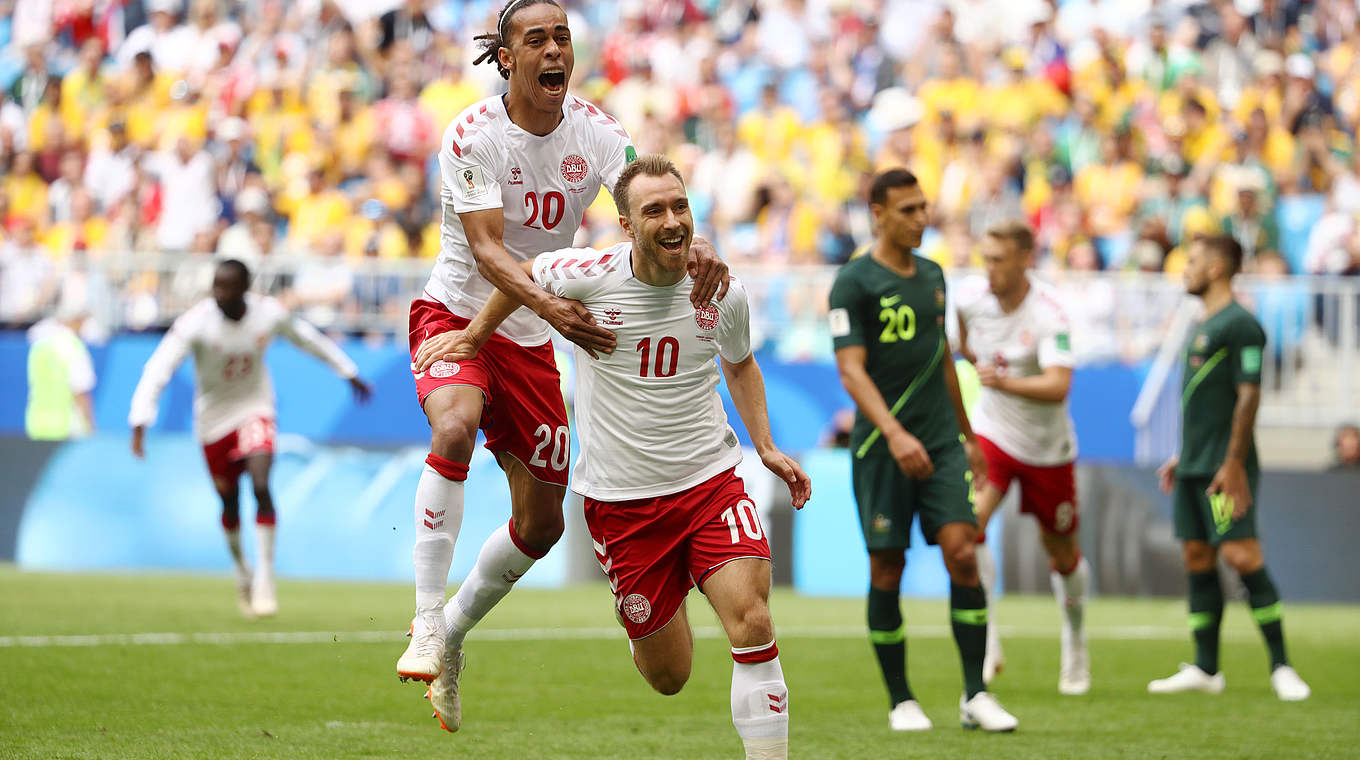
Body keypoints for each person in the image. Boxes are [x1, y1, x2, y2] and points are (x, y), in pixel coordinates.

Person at [393, 0, 727, 733]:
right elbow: (486, 252)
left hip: (535, 339)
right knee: (454, 426)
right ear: (507, 58)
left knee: (542, 524)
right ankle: (423, 619)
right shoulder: (471, 135)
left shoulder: (598, 132)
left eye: (563, 38)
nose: (554, 51)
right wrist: (549, 307)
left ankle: (451, 633)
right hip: (457, 315)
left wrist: (691, 245)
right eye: (535, 39)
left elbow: (650, 205)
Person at [417, 154, 809, 759]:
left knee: (753, 623)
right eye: (654, 210)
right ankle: (651, 607)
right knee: (669, 676)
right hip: (622, 506)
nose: (672, 219)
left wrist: (767, 448)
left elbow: (740, 363)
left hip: (710, 484)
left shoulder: (721, 291)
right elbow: (525, 275)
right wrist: (471, 337)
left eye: (680, 206)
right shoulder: (585, 274)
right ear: (627, 225)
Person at [827, 168, 1017, 733]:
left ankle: (975, 694)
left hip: (940, 442)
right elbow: (850, 368)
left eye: (923, 207)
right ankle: (901, 698)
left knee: (963, 552)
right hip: (885, 449)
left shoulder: (934, 276)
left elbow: (944, 361)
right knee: (888, 567)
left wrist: (967, 436)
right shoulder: (853, 283)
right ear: (878, 213)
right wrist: (893, 432)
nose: (920, 218)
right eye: (907, 209)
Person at [128, 259, 372, 619]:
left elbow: (307, 338)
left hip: (255, 408)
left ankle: (265, 581)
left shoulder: (267, 313)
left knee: (261, 485)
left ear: (245, 288)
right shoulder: (196, 322)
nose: (219, 294)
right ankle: (242, 568)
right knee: (229, 503)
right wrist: (140, 418)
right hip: (212, 421)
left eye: (227, 287)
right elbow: (159, 367)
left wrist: (347, 371)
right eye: (216, 286)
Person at [1148, 235, 1310, 701]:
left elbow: (1249, 394)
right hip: (1196, 462)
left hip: (1224, 468)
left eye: (1193, 261)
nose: (1185, 268)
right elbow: (1207, 402)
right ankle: (1205, 668)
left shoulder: (1241, 325)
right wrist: (1186, 453)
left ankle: (1282, 667)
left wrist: (1234, 461)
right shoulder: (1200, 323)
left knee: (1242, 557)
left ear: (1217, 269)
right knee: (1197, 559)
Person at [955, 221, 1090, 695]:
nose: (988, 268)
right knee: (967, 528)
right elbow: (961, 344)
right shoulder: (970, 301)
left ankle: (1074, 637)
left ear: (1024, 260)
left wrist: (1002, 381)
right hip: (994, 435)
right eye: (985, 257)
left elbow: (1058, 386)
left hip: (1048, 450)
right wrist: (981, 373)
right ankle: (989, 638)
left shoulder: (1050, 312)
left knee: (1063, 552)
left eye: (998, 259)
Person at [26, 303, 96, 441]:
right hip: (66, 428)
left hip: (36, 424)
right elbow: (81, 392)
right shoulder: (74, 347)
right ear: (75, 320)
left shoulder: (39, 346)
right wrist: (90, 427)